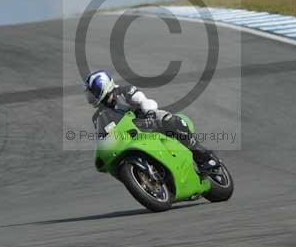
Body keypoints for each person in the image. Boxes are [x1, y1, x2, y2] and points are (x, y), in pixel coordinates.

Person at [84, 69, 219, 171]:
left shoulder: (124, 91)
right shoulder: (98, 115)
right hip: (128, 135)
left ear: (104, 86)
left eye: (93, 91)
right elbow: (102, 135)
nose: (91, 96)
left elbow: (143, 100)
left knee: (169, 121)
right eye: (90, 93)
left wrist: (149, 115)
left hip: (146, 121)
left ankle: (204, 156)